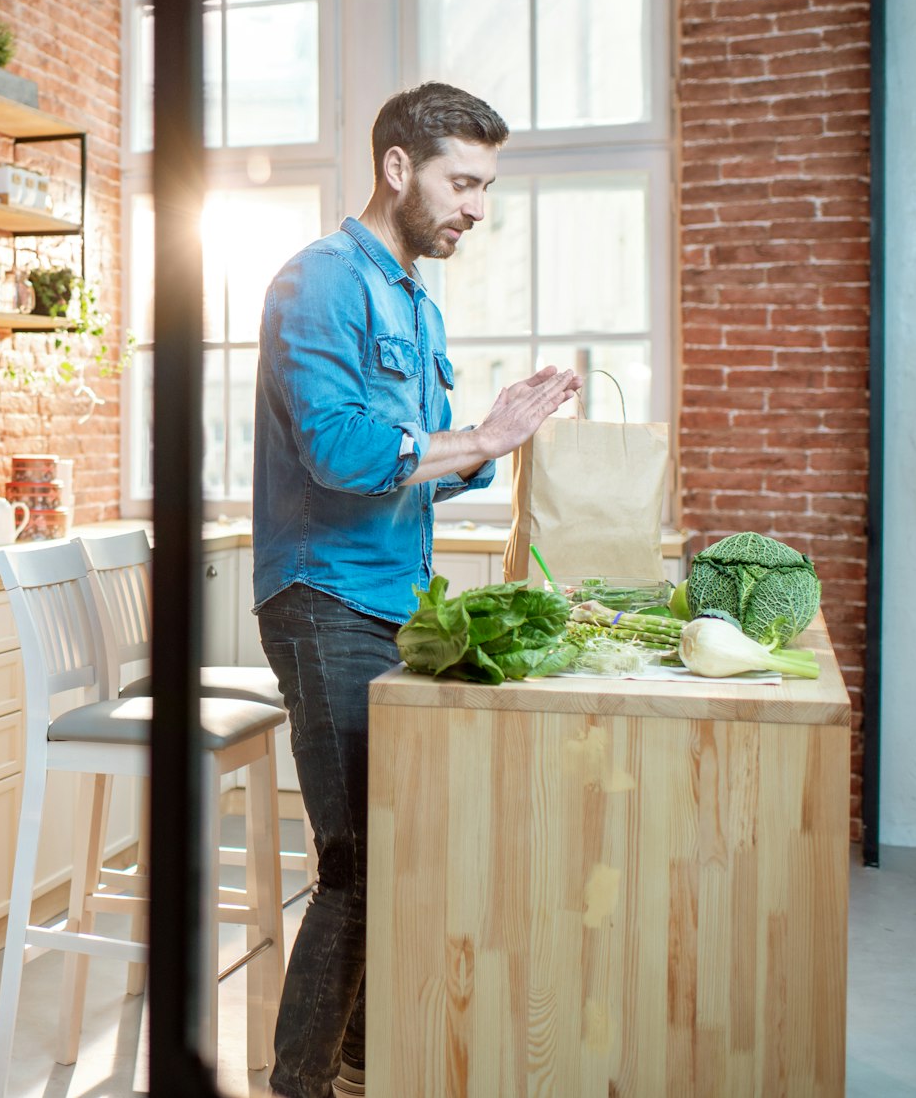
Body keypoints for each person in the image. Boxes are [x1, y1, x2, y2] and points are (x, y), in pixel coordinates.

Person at [251, 82, 581, 1098]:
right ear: (397, 166)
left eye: (485, 185)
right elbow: (342, 453)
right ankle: (298, 1086)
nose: (476, 206)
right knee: (353, 864)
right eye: (462, 181)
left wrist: (493, 434)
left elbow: (431, 455)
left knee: (394, 852)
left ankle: (359, 1067)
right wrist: (475, 440)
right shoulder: (317, 281)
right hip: (321, 598)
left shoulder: (413, 295)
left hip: (394, 598)